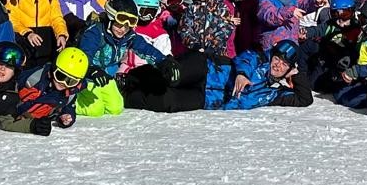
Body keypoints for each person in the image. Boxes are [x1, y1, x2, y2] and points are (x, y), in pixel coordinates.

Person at [121, 39, 314, 112]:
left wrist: (297, 75)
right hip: (205, 68)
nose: (278, 65)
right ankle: (129, 79)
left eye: (285, 64)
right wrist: (241, 75)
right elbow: (245, 59)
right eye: (277, 58)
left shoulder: (272, 94)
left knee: (167, 102)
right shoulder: (259, 58)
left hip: (208, 99)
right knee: (173, 76)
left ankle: (125, 97)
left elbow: (304, 99)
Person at [0, 47, 90, 135]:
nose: (63, 83)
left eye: (71, 81)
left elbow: (69, 109)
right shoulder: (35, 77)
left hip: (32, 119)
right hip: (7, 111)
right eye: (60, 76)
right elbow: (12, 82)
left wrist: (65, 118)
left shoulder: (69, 94)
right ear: (53, 69)